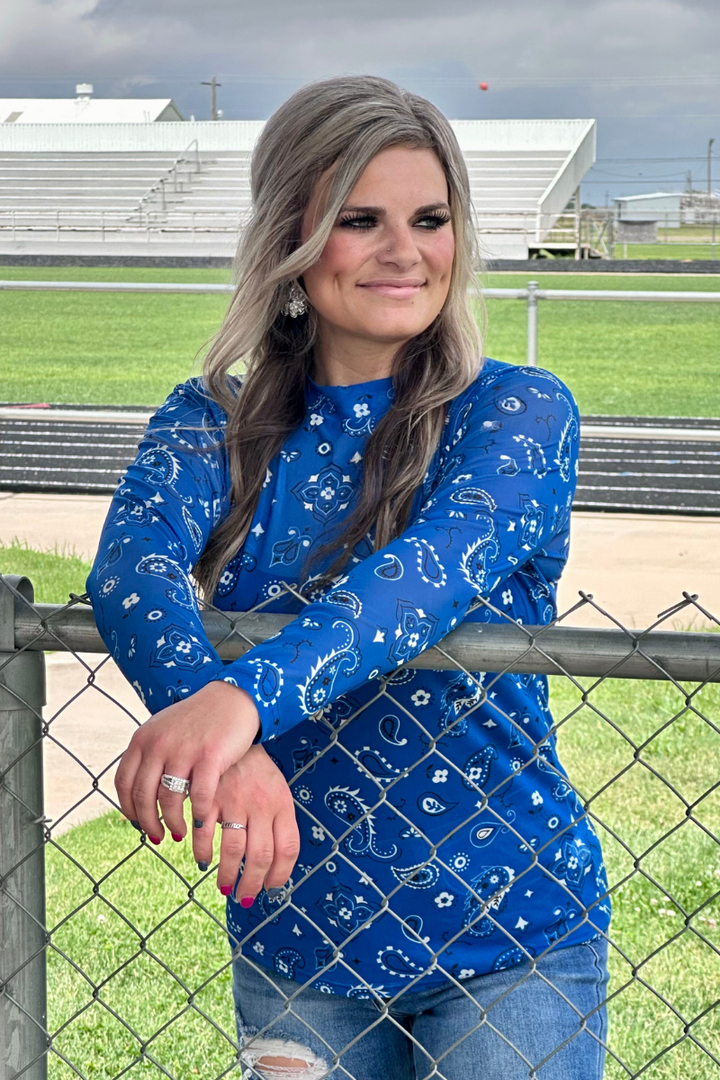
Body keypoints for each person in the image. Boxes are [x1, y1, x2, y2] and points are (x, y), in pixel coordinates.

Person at [87, 75, 610, 1080]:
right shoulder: (214, 420)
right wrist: (220, 734)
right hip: (298, 939)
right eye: (359, 220)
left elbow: (423, 578)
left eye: (430, 219)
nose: (404, 252)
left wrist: (239, 700)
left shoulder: (516, 412)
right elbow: (131, 565)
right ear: (292, 234)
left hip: (513, 938)